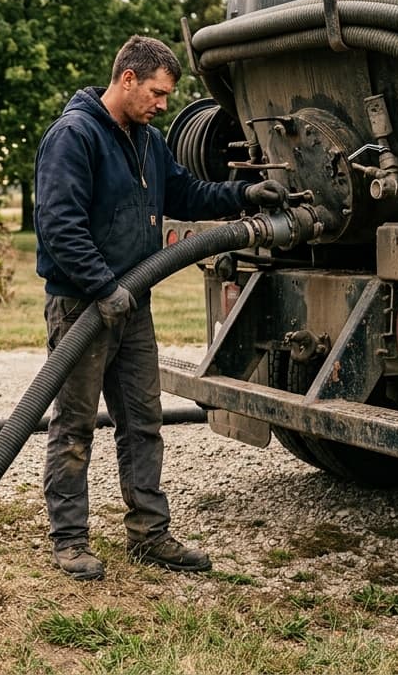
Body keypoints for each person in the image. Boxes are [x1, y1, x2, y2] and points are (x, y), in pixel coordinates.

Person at [33, 35, 287, 580]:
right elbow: (59, 225)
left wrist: (243, 195)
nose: (163, 104)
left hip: (132, 305)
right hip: (84, 306)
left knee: (143, 423)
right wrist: (104, 287)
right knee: (75, 427)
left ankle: (149, 534)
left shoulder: (148, 140)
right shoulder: (74, 136)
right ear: (127, 79)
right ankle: (70, 540)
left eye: (167, 95)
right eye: (156, 92)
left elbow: (185, 193)